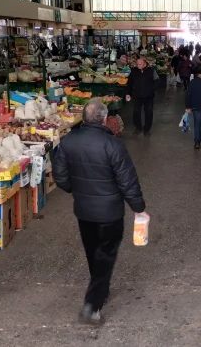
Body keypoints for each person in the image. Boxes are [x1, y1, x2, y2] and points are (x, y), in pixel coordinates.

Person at [52, 99, 147, 325]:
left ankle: (100, 292)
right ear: (104, 119)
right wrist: (139, 209)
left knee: (93, 252)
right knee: (105, 256)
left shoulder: (68, 141)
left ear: (84, 118)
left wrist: (76, 189)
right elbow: (128, 182)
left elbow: (60, 176)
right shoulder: (113, 145)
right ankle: (92, 305)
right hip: (110, 213)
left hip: (84, 211)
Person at [125, 58, 156, 137]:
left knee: (149, 113)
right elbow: (129, 83)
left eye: (140, 64)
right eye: (137, 64)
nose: (138, 66)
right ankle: (138, 127)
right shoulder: (134, 71)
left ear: (144, 63)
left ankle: (146, 130)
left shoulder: (151, 70)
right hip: (137, 96)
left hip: (148, 96)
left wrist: (151, 89)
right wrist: (128, 93)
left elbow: (157, 81)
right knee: (136, 112)